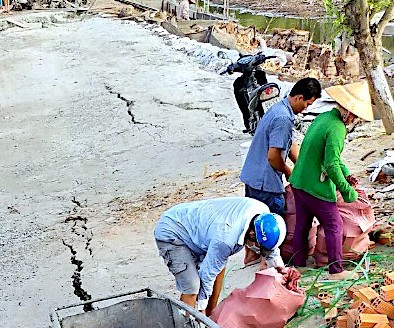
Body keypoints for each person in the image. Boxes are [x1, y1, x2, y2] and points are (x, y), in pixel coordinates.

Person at [288, 80, 375, 275]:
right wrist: (346, 190)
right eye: (355, 117)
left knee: (303, 224)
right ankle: (337, 270)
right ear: (348, 112)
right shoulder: (337, 128)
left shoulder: (323, 117)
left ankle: (298, 263)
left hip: (299, 181)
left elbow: (330, 157)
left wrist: (347, 174)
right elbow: (331, 164)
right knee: (334, 225)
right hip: (315, 186)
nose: (354, 121)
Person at [154, 195, 287, 314]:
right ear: (252, 234)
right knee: (192, 286)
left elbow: (270, 250)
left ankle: (212, 316)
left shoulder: (263, 216)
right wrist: (201, 310)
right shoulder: (226, 239)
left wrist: (281, 270)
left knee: (219, 267)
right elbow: (207, 275)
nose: (258, 250)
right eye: (258, 246)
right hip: (174, 232)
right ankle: (184, 327)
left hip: (202, 231)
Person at [240, 77, 322, 215]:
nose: (305, 109)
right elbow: (273, 157)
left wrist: (303, 166)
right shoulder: (283, 119)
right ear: (299, 98)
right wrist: (289, 172)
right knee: (273, 222)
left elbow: (289, 143)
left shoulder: (279, 109)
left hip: (253, 179)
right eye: (307, 104)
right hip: (264, 185)